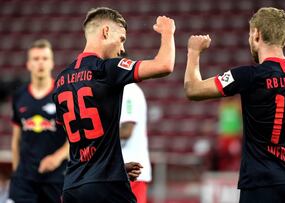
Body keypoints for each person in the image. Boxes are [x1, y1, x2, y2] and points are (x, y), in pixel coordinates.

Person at [183, 7, 285, 203]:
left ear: (256, 34)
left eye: (250, 34)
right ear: (283, 39)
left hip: (261, 185)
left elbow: (193, 89)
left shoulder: (248, 76)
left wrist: (193, 51)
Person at [53, 7, 175, 203]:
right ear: (106, 31)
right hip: (107, 187)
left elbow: (78, 140)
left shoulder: (60, 80)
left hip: (72, 188)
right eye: (122, 39)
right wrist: (168, 32)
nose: (122, 48)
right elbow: (164, 65)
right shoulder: (108, 69)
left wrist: (114, 166)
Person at [9, 39, 69, 203]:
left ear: (52, 63)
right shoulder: (19, 96)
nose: (40, 63)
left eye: (44, 58)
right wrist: (17, 170)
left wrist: (57, 157)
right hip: (24, 180)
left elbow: (75, 138)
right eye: (36, 59)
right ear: (28, 64)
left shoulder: (62, 95)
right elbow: (16, 139)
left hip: (55, 179)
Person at [120, 83, 152, 203]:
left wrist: (98, 136)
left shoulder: (129, 90)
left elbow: (126, 130)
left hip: (132, 172)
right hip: (120, 170)